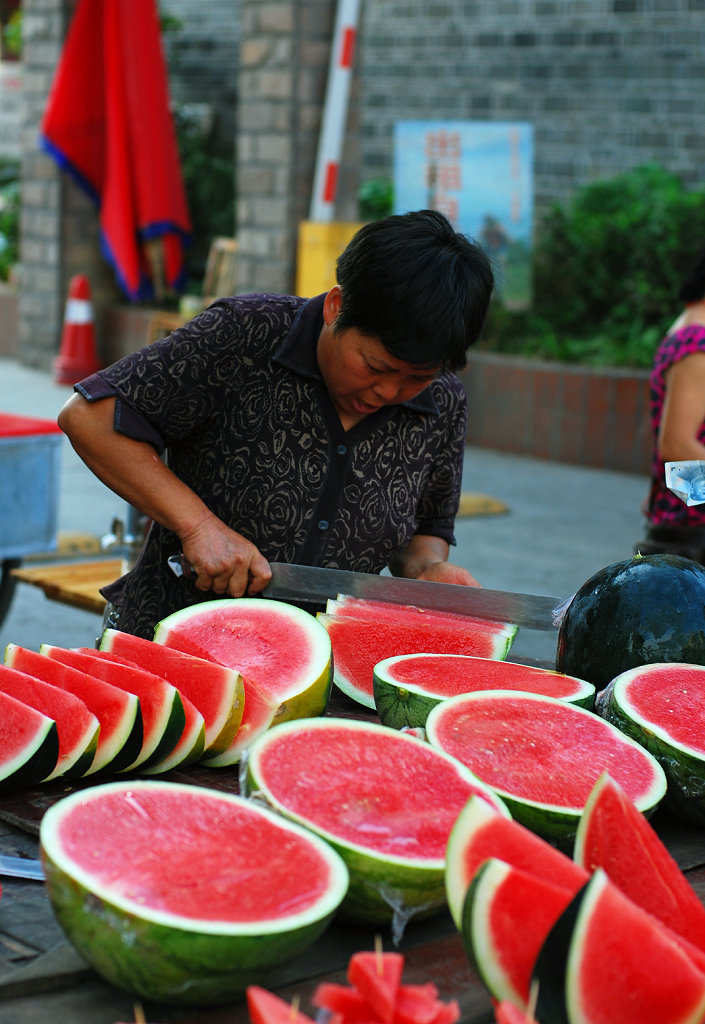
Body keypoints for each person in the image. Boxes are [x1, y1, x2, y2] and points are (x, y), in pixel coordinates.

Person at [58, 209, 495, 640]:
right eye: (375, 366)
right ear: (336, 307)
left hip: (324, 662)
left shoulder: (444, 402)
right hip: (173, 638)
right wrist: (198, 527)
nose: (387, 391)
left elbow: (424, 529)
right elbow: (89, 418)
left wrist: (427, 570)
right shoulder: (245, 333)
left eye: (416, 378)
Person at [635, 246, 705, 563]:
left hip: (682, 521)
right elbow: (675, 445)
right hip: (691, 534)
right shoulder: (698, 342)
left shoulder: (688, 326)